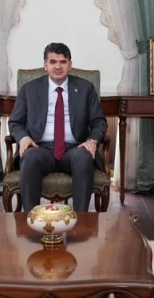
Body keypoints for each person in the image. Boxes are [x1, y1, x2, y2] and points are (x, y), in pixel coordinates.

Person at [8, 42, 107, 212]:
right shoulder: (29, 89)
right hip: (40, 147)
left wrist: (92, 141)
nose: (58, 66)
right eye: (53, 62)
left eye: (63, 62)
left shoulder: (86, 88)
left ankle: (81, 220)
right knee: (30, 158)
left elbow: (99, 121)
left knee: (84, 158)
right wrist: (24, 138)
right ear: (45, 65)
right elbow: (15, 122)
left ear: (70, 65)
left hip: (74, 148)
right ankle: (31, 219)